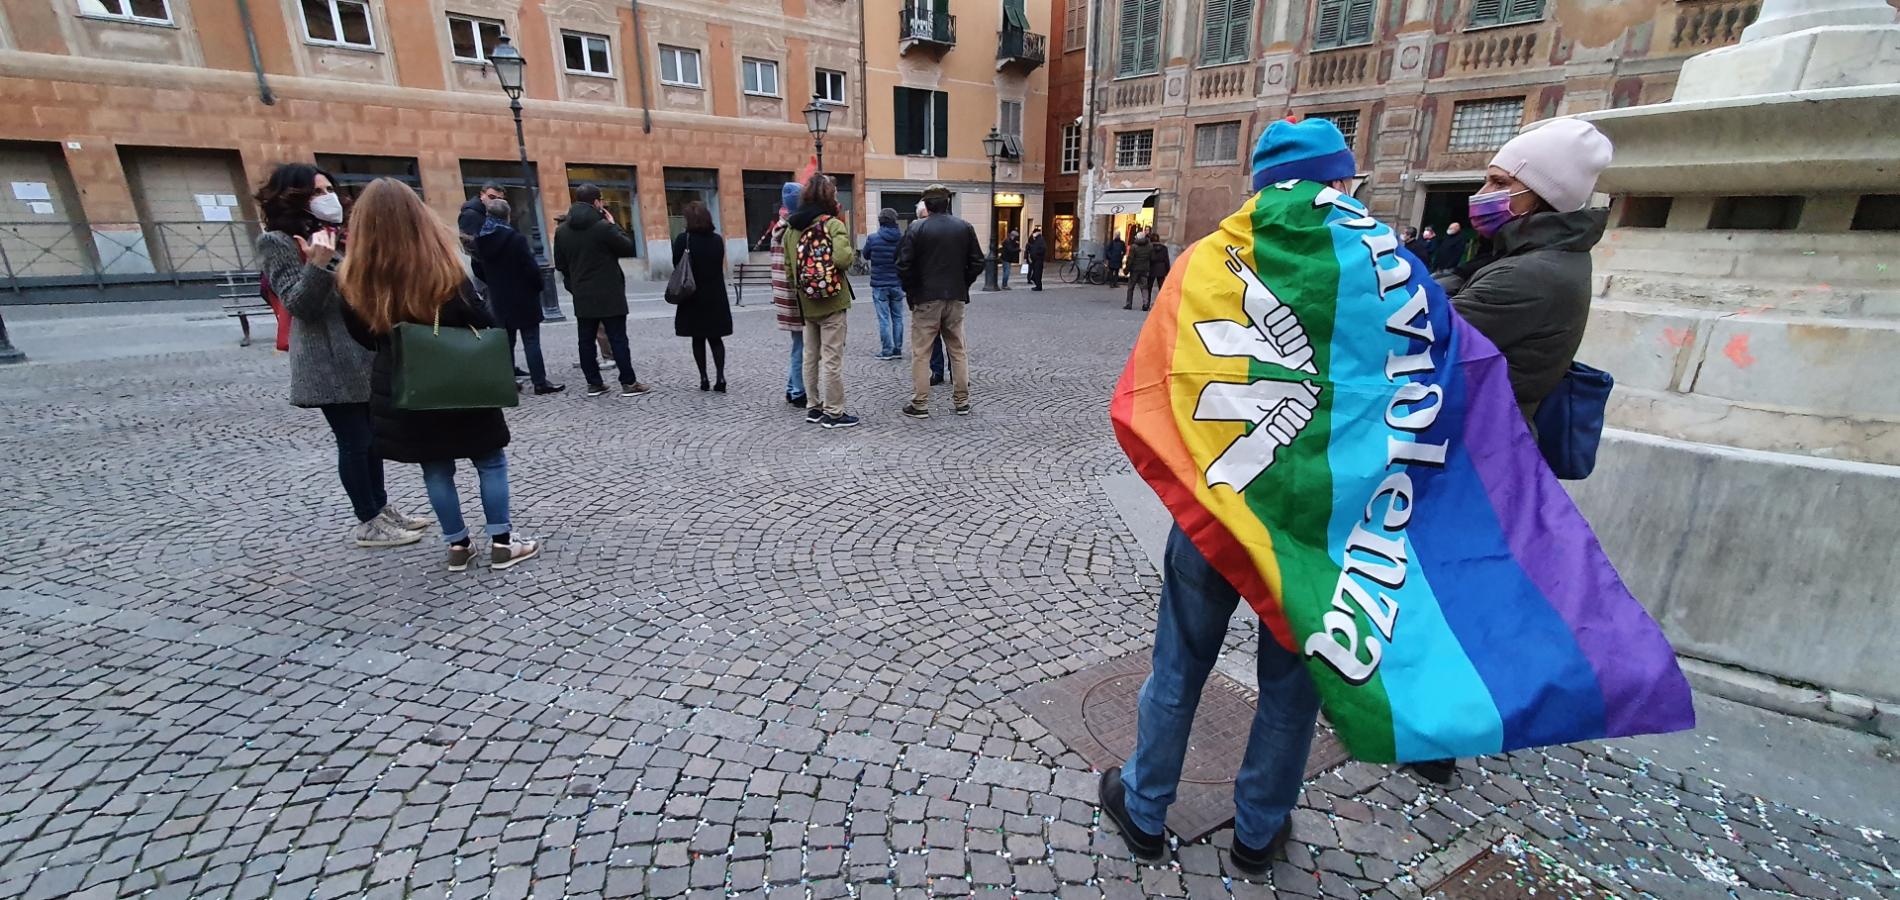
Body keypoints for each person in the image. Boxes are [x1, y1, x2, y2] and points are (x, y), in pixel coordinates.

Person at [1098, 118, 1366, 877]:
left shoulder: (1204, 261)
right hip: (1317, 518)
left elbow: (1164, 376)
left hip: (1217, 501)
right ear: (1337, 183)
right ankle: (1258, 831)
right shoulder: (1382, 269)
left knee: (1179, 660)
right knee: (1293, 681)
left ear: (1259, 186)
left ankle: (1145, 809)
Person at [337, 178, 539, 572]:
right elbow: (480, 318)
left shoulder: (354, 276)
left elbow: (362, 336)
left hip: (410, 384)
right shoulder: (440, 265)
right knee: (490, 461)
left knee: (436, 468)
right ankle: (502, 540)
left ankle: (458, 547)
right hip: (458, 378)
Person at [253, 162, 427, 549]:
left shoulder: (333, 234)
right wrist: (317, 264)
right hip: (327, 359)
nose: (326, 197)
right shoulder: (278, 242)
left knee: (373, 439)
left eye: (327, 189)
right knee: (354, 441)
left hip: (359, 352)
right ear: (292, 196)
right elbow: (299, 305)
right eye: (316, 192)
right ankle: (367, 518)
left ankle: (380, 508)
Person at [1439, 117, 1614, 426]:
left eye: (1501, 183)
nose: (1482, 193)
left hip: (1476, 441)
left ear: (1544, 195)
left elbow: (1415, 331)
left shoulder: (1530, 275)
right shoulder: (1532, 257)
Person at [895, 183, 984, 419]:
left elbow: (903, 265)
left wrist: (912, 291)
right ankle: (962, 401)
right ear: (947, 203)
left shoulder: (916, 228)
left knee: (922, 352)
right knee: (957, 349)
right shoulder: (964, 227)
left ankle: (920, 403)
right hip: (955, 297)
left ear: (927, 204)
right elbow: (977, 262)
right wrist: (963, 284)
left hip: (925, 298)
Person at [554, 183, 649, 398]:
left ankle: (594, 383)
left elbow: (560, 265)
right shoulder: (603, 227)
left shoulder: (562, 231)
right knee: (618, 338)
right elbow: (627, 247)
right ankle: (628, 382)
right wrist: (614, 225)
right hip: (609, 292)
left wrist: (574, 285)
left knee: (585, 341)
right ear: (597, 202)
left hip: (582, 293)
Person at [784, 173, 859, 429]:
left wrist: (803, 290)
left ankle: (813, 407)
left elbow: (789, 269)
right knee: (832, 358)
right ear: (829, 196)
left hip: (806, 302)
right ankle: (834, 412)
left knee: (810, 355)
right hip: (832, 301)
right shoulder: (833, 224)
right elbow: (843, 260)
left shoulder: (791, 228)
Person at [474, 198, 563, 395]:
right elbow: (530, 267)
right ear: (507, 215)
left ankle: (509, 382)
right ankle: (539, 382)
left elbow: (477, 267)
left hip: (499, 297)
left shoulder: (482, 239)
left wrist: (493, 282)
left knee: (507, 342)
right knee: (531, 341)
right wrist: (537, 286)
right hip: (523, 297)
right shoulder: (515, 239)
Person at [671, 201, 733, 392]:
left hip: (692, 295)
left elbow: (677, 264)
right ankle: (720, 376)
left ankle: (704, 378)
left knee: (697, 338)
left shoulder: (683, 239)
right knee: (716, 338)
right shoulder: (716, 240)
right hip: (715, 295)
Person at [761, 183, 806, 407]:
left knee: (798, 344)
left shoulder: (779, 227)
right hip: (795, 294)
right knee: (803, 346)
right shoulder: (794, 229)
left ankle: (792, 387)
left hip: (782, 293)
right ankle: (798, 390)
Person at [862, 208, 907, 360]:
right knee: (898, 317)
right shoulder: (902, 239)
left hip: (879, 283)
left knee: (883, 318)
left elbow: (866, 254)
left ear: (880, 221)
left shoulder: (873, 238)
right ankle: (898, 348)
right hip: (897, 283)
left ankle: (886, 350)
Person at [1123, 230, 1156, 311]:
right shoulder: (1150, 246)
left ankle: (1128, 304)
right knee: (1144, 287)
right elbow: (1153, 258)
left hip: (1134, 269)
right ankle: (1145, 304)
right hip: (1145, 269)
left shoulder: (1134, 247)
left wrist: (1126, 269)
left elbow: (1130, 259)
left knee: (1131, 287)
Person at [1026, 226, 1047, 291]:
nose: (1033, 234)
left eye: (1033, 233)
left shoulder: (1040, 239)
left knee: (1037, 273)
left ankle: (1038, 286)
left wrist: (1036, 253)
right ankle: (1037, 284)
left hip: (1038, 259)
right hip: (1035, 259)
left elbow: (1042, 249)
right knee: (1036, 272)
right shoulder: (1037, 239)